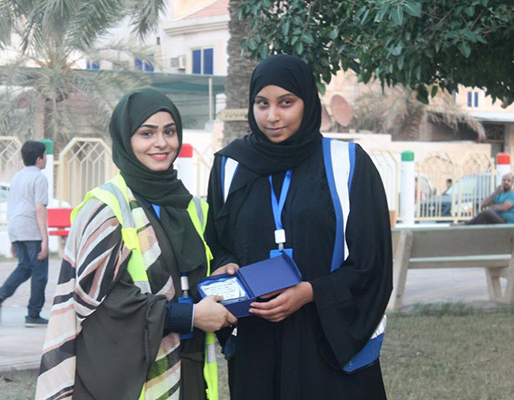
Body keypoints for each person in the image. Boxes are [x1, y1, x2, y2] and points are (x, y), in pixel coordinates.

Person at [206, 55, 392, 399]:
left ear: (308, 102)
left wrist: (310, 292)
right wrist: (224, 264)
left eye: (286, 103)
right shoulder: (229, 166)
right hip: (258, 338)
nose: (272, 116)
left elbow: (372, 261)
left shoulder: (347, 163)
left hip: (328, 339)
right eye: (262, 103)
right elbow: (217, 243)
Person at [35, 88, 236, 400]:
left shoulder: (193, 208)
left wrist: (219, 278)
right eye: (147, 133)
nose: (161, 143)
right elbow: (101, 303)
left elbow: (185, 281)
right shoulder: (106, 208)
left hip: (189, 368)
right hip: (127, 382)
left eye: (169, 131)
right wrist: (189, 316)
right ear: (125, 139)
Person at [0, 140, 49, 327]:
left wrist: (12, 238)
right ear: (39, 159)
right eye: (45, 155)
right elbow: (39, 208)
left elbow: (12, 206)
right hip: (31, 229)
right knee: (39, 273)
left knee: (24, 267)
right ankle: (33, 315)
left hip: (16, 228)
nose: (46, 159)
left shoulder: (16, 177)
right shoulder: (39, 178)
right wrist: (44, 238)